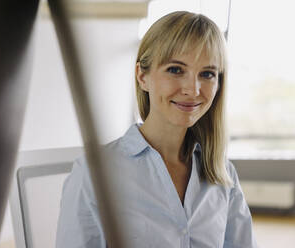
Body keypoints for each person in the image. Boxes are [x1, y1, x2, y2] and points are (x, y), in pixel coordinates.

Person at [56, 11, 258, 248]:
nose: (193, 90)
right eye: (175, 69)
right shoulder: (93, 174)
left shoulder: (223, 175)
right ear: (142, 75)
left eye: (207, 74)